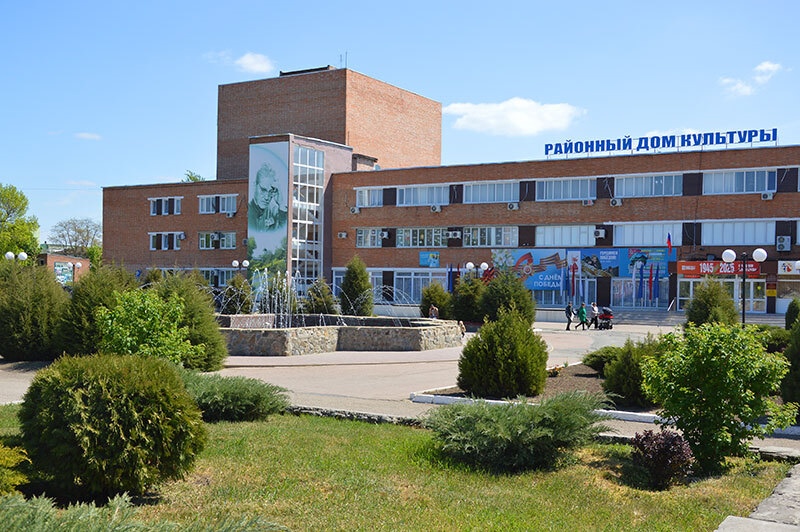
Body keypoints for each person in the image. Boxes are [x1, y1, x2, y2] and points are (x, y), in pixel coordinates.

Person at [248, 163, 287, 231]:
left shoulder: (274, 212)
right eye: (263, 190)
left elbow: (283, 230)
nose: (266, 197)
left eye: (270, 192)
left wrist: (281, 204)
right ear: (254, 186)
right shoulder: (248, 209)